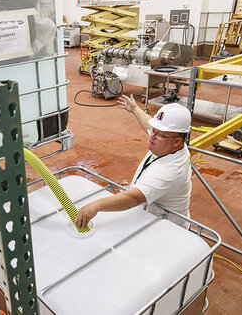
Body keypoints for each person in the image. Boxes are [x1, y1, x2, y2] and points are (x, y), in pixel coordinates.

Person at [75, 95, 192, 228]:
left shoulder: (169, 170)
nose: (151, 136)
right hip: (155, 215)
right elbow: (148, 123)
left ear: (177, 141)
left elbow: (133, 198)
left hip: (167, 228)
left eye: (159, 134)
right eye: (154, 130)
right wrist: (135, 109)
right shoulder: (170, 144)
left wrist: (95, 206)